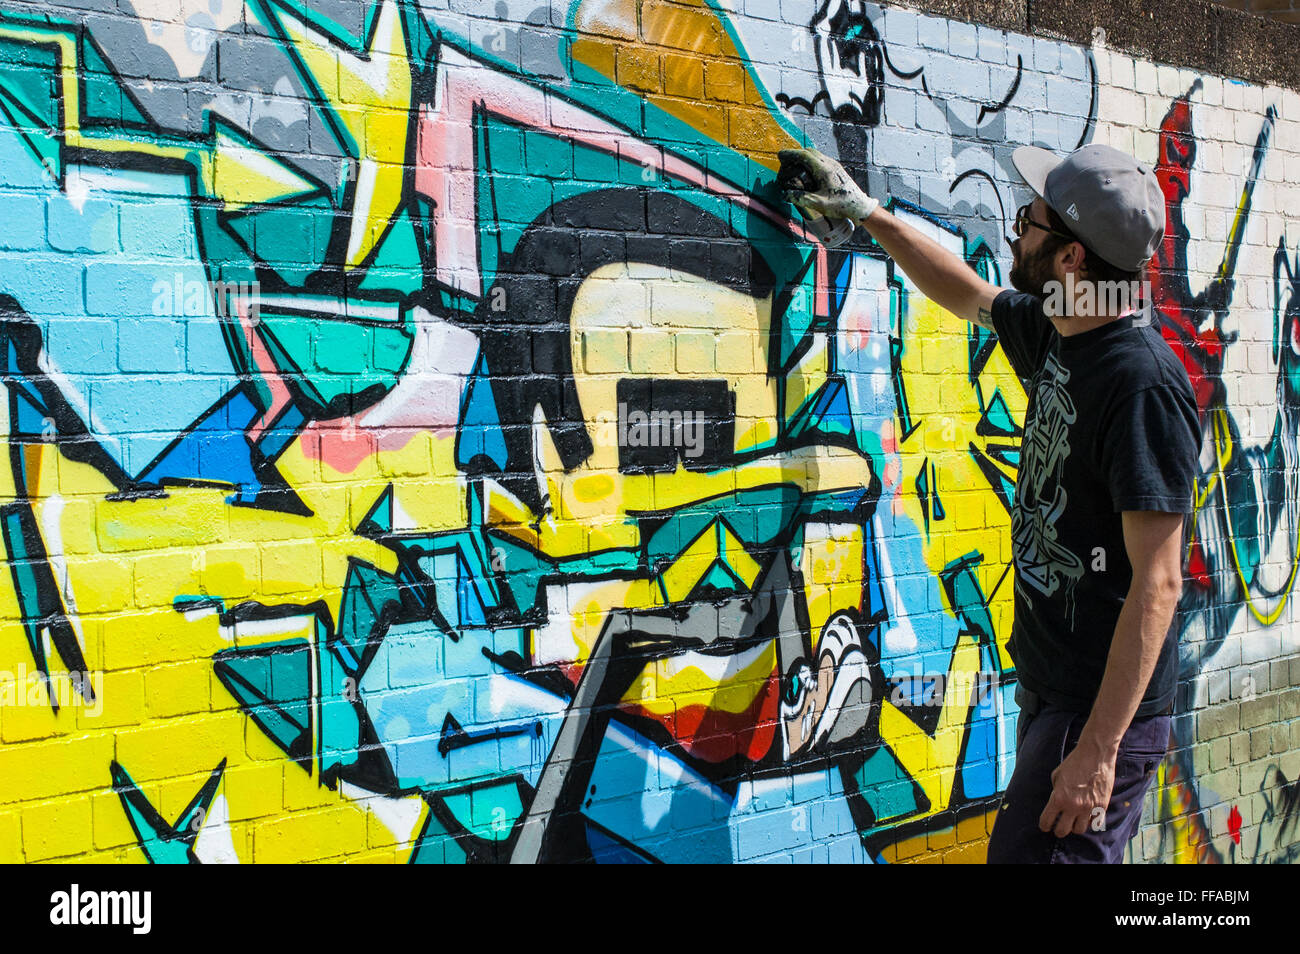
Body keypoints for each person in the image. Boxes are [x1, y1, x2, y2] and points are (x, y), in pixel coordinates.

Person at [778, 143, 1199, 863]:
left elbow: (1158, 584)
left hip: (1095, 717)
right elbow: (968, 292)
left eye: (1029, 224)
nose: (1016, 234)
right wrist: (868, 213)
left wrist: (1099, 750)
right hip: (1057, 698)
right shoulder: (1061, 333)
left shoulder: (1139, 385)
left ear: (1069, 259)